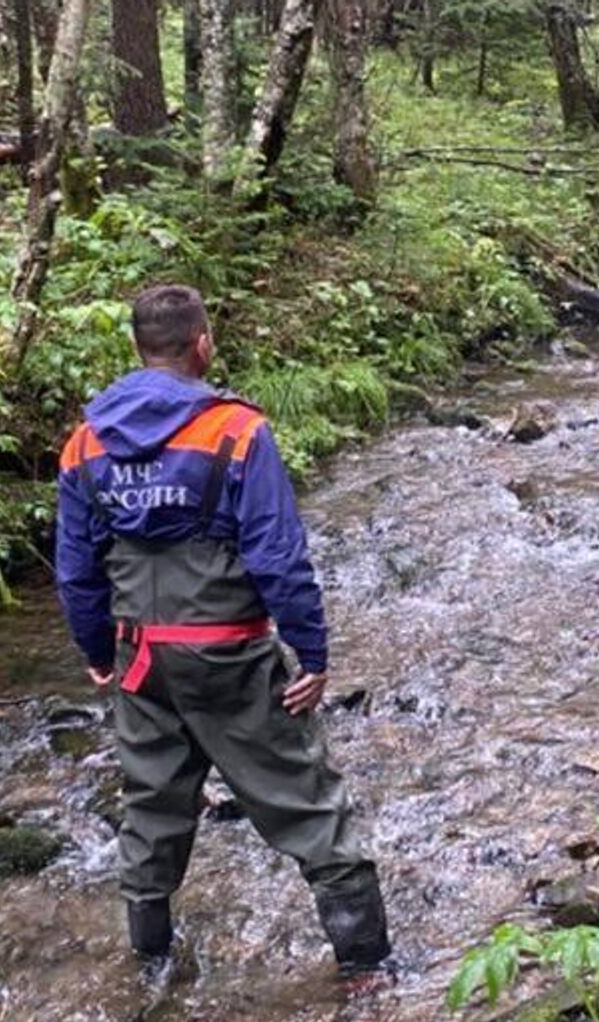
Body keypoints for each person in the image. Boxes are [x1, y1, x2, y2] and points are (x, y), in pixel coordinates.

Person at [53, 284, 391, 976]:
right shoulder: (236, 432)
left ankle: (149, 968)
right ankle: (368, 969)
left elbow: (76, 567)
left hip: (141, 657)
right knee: (307, 803)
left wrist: (96, 649)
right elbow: (277, 553)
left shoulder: (85, 444)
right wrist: (311, 652)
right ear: (202, 345)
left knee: (152, 807)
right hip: (228, 650)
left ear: (137, 348)